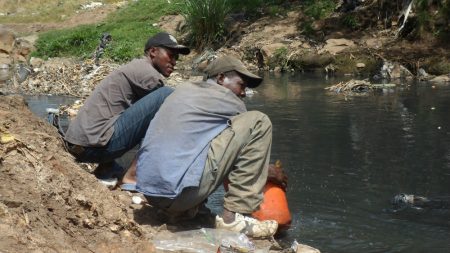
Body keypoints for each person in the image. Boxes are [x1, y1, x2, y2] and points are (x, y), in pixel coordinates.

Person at [136, 55, 287, 238]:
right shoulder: (228, 99)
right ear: (221, 78)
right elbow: (240, 154)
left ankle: (186, 210)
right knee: (259, 121)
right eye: (241, 85)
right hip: (176, 196)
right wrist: (266, 172)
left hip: (150, 192)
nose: (243, 93)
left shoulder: (183, 90)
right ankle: (232, 219)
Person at [64, 32, 190, 186]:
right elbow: (170, 114)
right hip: (92, 148)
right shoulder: (148, 74)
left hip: (79, 145)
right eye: (170, 55)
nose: (174, 62)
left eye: (176, 58)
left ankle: (107, 167)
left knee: (137, 113)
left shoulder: (136, 66)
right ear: (153, 52)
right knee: (166, 95)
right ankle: (133, 175)